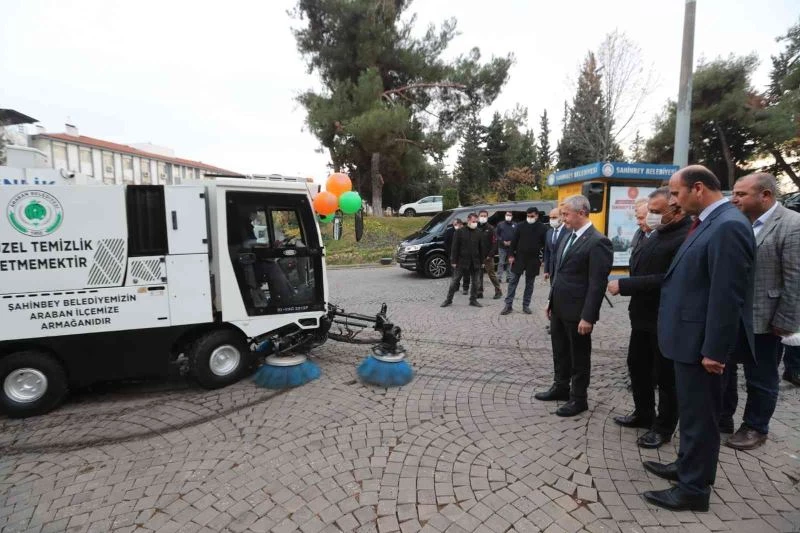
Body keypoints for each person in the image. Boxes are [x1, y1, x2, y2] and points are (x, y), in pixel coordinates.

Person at [641, 165, 755, 513]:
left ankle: (693, 490)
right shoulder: (710, 222)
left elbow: (727, 295)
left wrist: (714, 350)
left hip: (702, 346)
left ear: (699, 189)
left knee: (701, 420)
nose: (672, 200)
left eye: (676, 193)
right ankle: (686, 468)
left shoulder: (728, 226)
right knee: (692, 416)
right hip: (688, 339)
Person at [721, 173, 800, 449]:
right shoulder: (739, 222)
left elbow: (795, 279)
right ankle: (723, 416)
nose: (734, 199)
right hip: (734, 314)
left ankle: (756, 427)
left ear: (765, 195)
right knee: (724, 366)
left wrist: (786, 321)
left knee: (761, 375)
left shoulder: (792, 224)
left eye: (741, 194)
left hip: (767, 318)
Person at [608, 187, 691, 449]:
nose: (650, 217)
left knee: (666, 377)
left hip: (666, 318)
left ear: (676, 210)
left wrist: (627, 285)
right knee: (638, 366)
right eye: (649, 212)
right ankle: (643, 413)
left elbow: (671, 279)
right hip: (642, 317)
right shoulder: (657, 233)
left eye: (655, 212)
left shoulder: (685, 236)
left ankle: (664, 427)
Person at [535, 195, 612, 417]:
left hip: (578, 312)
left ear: (581, 213)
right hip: (559, 307)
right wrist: (551, 300)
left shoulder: (598, 242)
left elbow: (597, 284)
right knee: (560, 351)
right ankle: (560, 387)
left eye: (566, 214)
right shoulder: (567, 236)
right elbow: (559, 272)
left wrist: (588, 317)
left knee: (579, 356)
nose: (562, 218)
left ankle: (579, 398)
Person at [501, 207, 547, 315]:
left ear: (537, 216)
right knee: (513, 281)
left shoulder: (542, 228)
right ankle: (508, 305)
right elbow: (514, 242)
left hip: (534, 260)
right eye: (528, 216)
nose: (530, 218)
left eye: (532, 216)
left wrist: (544, 260)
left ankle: (526, 305)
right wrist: (511, 255)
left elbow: (546, 246)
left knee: (529, 284)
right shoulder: (520, 226)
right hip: (519, 258)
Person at [441, 213, 485, 308]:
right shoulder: (460, 231)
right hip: (461, 261)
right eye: (473, 221)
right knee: (454, 281)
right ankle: (448, 300)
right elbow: (454, 247)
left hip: (475, 261)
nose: (475, 223)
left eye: (476, 222)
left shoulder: (479, 232)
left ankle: (473, 300)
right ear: (468, 220)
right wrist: (453, 261)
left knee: (475, 282)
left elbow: (481, 248)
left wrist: (482, 262)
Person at [476, 209, 502, 300]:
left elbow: (495, 243)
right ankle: (479, 292)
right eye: (481, 215)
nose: (483, 217)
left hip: (488, 256)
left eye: (484, 216)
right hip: (478, 256)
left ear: (487, 217)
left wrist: (490, 255)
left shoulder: (491, 228)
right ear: (478, 216)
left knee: (491, 274)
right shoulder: (476, 228)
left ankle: (498, 291)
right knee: (479, 274)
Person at [543, 207, 567, 284]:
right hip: (552, 271)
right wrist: (546, 270)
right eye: (550, 217)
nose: (552, 220)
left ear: (562, 217)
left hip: (564, 271)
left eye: (554, 217)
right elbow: (547, 252)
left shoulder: (569, 231)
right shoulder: (549, 232)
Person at [495, 211, 516, 283]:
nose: (508, 216)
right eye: (507, 215)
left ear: (512, 216)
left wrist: (511, 242)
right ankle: (498, 277)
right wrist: (502, 241)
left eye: (510, 215)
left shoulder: (514, 225)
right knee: (501, 262)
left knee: (509, 262)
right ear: (505, 215)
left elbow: (516, 235)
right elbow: (496, 235)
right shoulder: (500, 224)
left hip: (511, 247)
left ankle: (509, 277)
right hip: (502, 247)